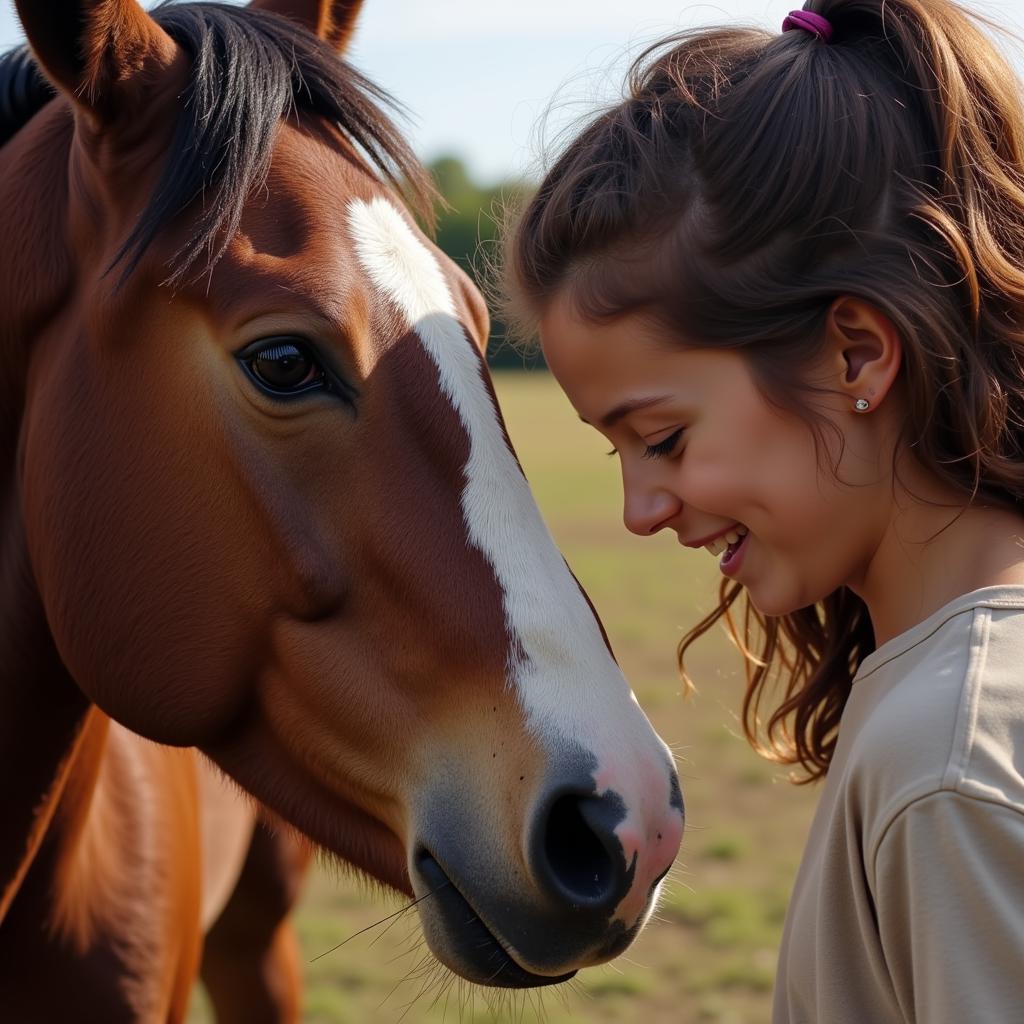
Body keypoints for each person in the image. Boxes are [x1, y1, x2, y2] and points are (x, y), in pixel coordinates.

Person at [502, 1, 1024, 1021]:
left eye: (661, 438)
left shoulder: (950, 759)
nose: (639, 509)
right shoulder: (936, 692)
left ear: (856, 354)